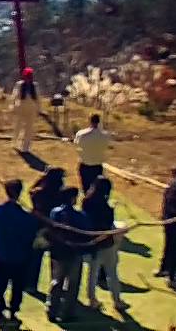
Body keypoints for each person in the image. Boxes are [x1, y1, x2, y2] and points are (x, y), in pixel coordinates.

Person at [0, 179, 40, 324]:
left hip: (3, 254)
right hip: (21, 257)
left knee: (0, 284)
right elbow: (33, 231)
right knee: (17, 286)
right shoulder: (26, 216)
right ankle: (13, 310)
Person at [82, 176, 129, 312]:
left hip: (92, 243)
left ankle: (92, 300)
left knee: (93, 273)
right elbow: (108, 225)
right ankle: (117, 301)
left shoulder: (87, 202)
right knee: (112, 273)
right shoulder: (106, 208)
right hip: (106, 244)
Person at [46, 186, 89, 322]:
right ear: (72, 198)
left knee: (56, 282)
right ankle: (68, 312)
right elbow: (85, 232)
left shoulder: (55, 212)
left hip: (58, 254)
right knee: (72, 284)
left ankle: (52, 310)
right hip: (73, 253)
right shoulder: (79, 216)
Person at [26, 166, 66, 296]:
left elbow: (30, 191)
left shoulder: (39, 193)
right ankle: (56, 287)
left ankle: (31, 285)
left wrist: (42, 178)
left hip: (38, 229)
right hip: (55, 231)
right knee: (55, 261)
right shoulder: (61, 195)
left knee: (35, 259)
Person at [73, 114, 111, 192]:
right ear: (99, 122)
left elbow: (76, 145)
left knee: (85, 188)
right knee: (97, 189)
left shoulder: (81, 134)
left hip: (84, 164)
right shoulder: (105, 135)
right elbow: (107, 146)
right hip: (97, 166)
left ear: (90, 121)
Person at [13, 68, 40, 153]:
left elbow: (38, 98)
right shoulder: (19, 85)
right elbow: (15, 96)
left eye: (30, 76)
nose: (28, 78)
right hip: (21, 107)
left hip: (31, 108)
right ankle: (15, 143)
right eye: (27, 76)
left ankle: (26, 147)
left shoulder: (35, 86)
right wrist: (14, 106)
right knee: (18, 126)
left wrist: (38, 109)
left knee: (29, 128)